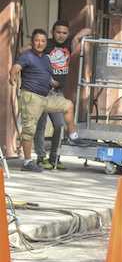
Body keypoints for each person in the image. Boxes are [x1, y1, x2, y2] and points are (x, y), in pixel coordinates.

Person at [9, 29, 86, 172]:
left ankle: (73, 136)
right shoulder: (27, 56)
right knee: (29, 130)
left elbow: (47, 76)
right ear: (32, 42)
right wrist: (12, 76)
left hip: (46, 97)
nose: (40, 43)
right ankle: (27, 162)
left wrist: (53, 83)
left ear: (46, 43)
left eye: (43, 41)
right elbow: (16, 67)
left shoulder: (46, 58)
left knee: (68, 104)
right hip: (31, 97)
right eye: (37, 40)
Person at [34, 20, 90, 169]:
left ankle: (55, 157)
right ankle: (40, 157)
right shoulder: (46, 44)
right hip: (41, 91)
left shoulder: (68, 44)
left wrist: (77, 35)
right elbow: (29, 54)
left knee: (59, 125)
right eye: (58, 32)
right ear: (53, 32)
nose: (61, 35)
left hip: (57, 93)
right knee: (40, 125)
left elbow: (88, 30)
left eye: (64, 33)